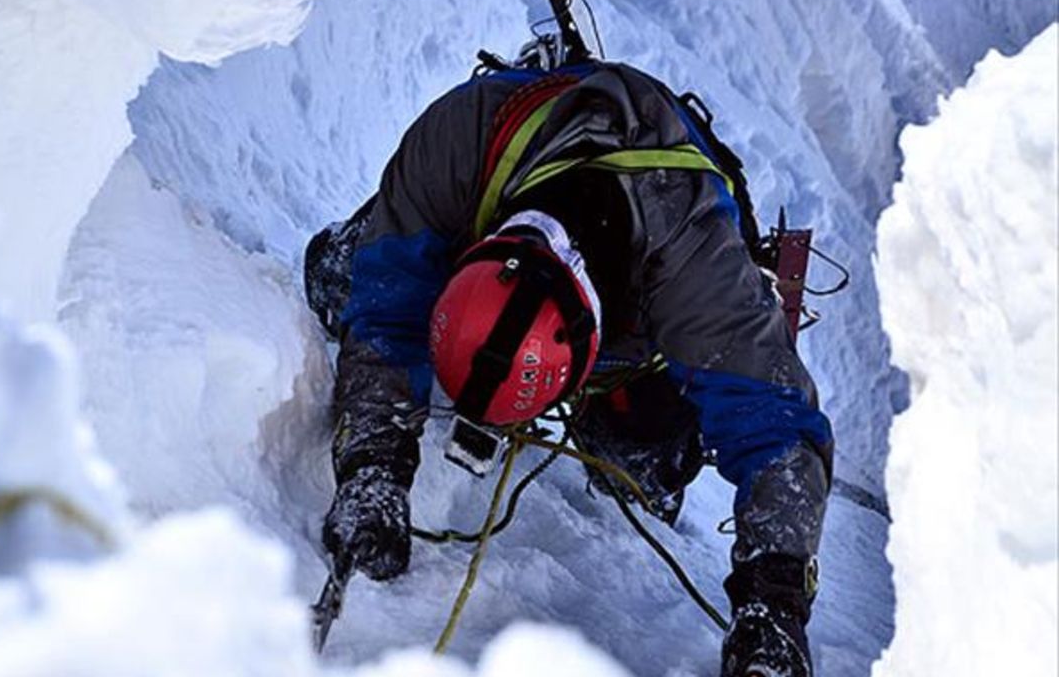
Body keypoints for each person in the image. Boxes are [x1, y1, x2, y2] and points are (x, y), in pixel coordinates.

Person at [303, 60, 833, 677]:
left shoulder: (698, 273)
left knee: (643, 457)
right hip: (507, 173)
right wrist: (373, 463)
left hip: (646, 310)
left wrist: (774, 599)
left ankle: (626, 419)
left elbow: (775, 424)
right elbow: (384, 315)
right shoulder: (457, 145)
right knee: (344, 283)